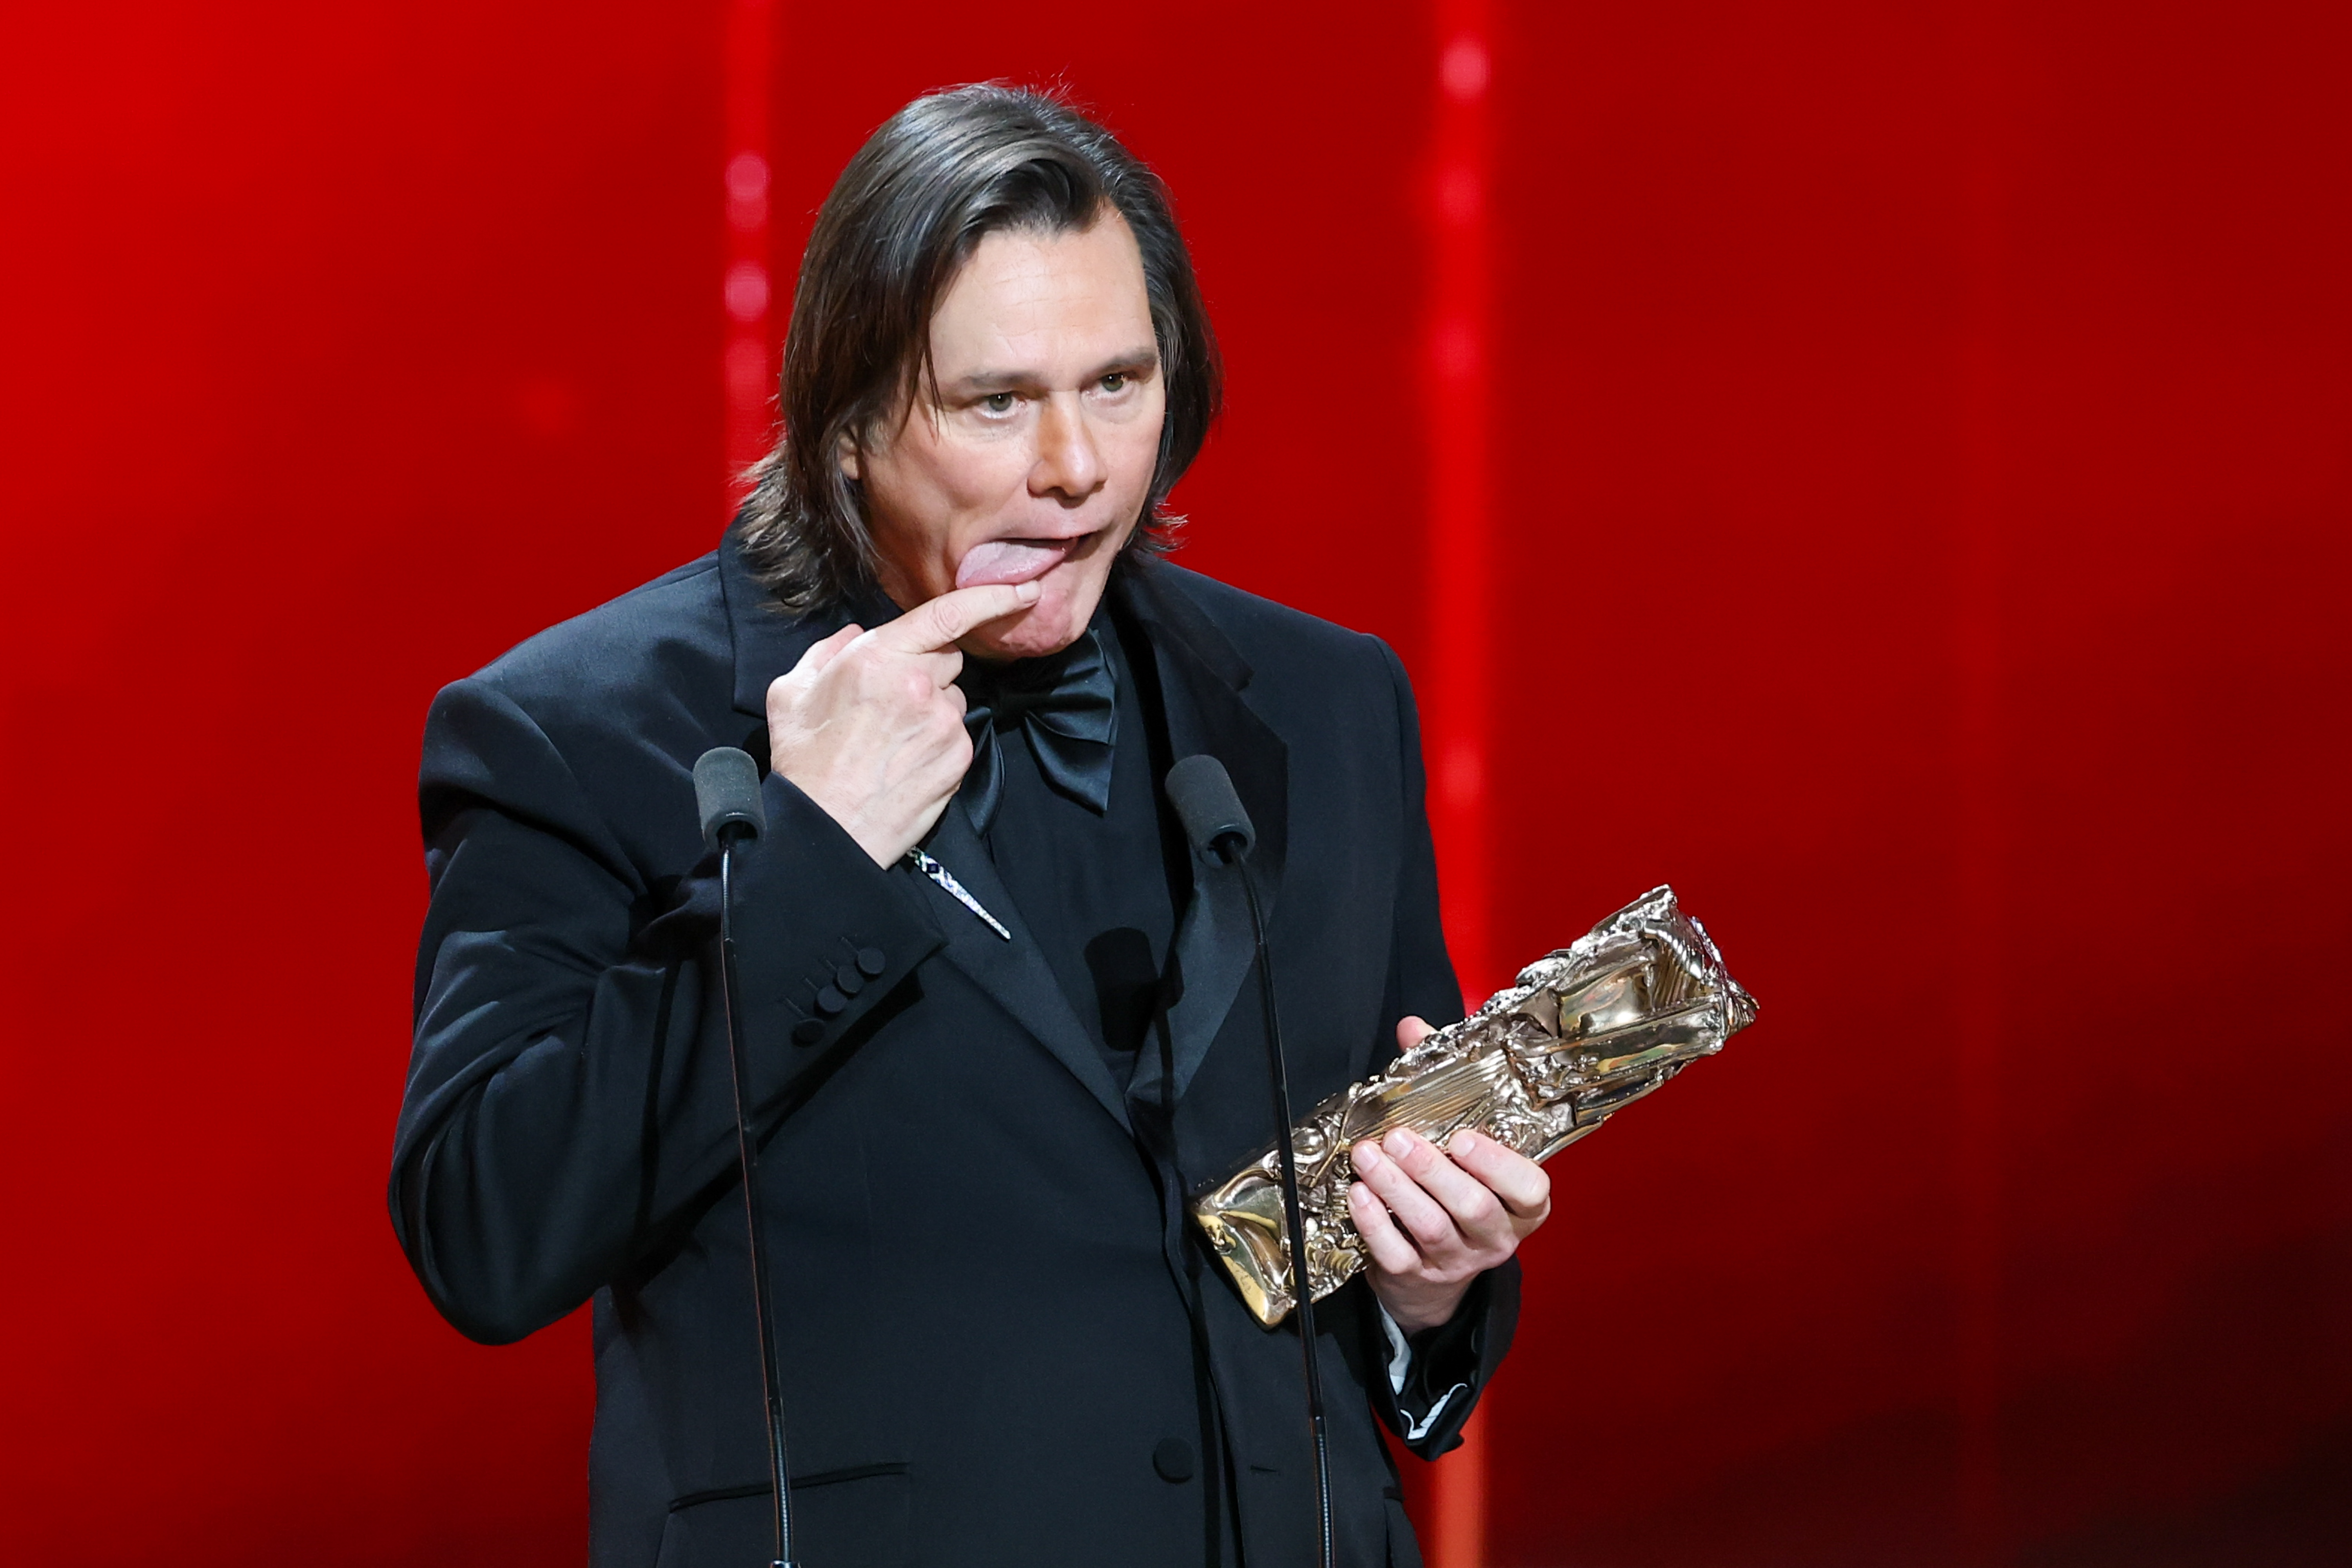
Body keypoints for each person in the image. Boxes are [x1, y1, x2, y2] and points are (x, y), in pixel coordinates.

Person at [392, 83, 1552, 1568]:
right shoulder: (582, 730)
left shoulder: (1328, 707)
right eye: (998, 403)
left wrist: (1432, 1292)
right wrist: (812, 853)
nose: (1075, 467)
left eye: (1120, 387)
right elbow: (485, 1229)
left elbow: (1354, 1240)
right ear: (852, 421)